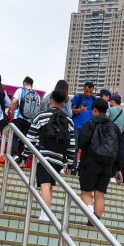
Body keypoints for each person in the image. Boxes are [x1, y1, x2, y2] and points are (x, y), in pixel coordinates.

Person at [26, 89, 75, 219]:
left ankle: (45, 215)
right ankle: (45, 214)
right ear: (63, 105)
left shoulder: (41, 116)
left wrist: (25, 155)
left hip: (43, 157)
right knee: (50, 186)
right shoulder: (69, 121)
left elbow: (30, 138)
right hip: (59, 159)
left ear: (50, 101)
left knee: (45, 185)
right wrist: (70, 164)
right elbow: (71, 145)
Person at [77, 97, 123, 222]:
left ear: (95, 110)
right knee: (100, 194)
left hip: (91, 162)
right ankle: (95, 222)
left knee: (86, 193)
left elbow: (82, 143)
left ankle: (93, 217)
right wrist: (118, 168)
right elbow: (119, 149)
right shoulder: (114, 127)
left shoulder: (90, 123)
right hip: (108, 165)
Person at [69, 82, 95, 171]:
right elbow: (71, 111)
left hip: (87, 128)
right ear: (84, 88)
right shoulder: (78, 97)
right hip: (76, 125)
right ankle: (73, 168)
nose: (88, 94)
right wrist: (79, 110)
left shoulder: (94, 99)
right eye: (87, 91)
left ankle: (81, 168)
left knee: (85, 149)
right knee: (75, 147)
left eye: (90, 92)